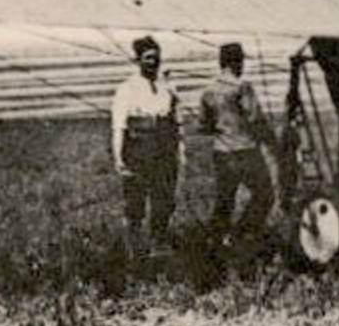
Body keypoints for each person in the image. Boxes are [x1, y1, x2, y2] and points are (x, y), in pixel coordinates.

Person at [110, 35, 185, 269]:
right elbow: (119, 126)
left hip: (164, 149)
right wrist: (118, 158)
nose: (154, 63)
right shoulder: (126, 89)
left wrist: (181, 151)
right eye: (148, 58)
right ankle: (135, 251)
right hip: (138, 151)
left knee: (164, 200)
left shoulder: (167, 89)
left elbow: (176, 123)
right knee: (136, 203)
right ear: (138, 60)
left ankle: (158, 244)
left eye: (157, 58)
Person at [199, 42, 274, 251]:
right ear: (236, 62)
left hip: (221, 152)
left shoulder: (208, 91)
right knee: (265, 194)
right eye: (241, 61)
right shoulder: (243, 87)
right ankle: (241, 234)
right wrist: (270, 140)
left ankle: (214, 242)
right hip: (246, 150)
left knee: (225, 199)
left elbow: (204, 126)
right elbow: (255, 118)